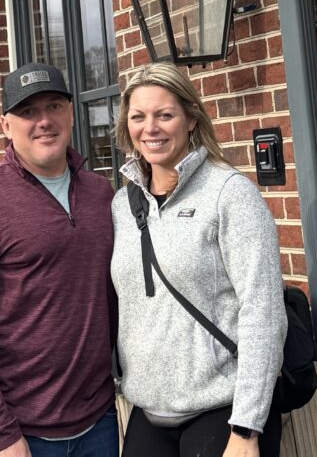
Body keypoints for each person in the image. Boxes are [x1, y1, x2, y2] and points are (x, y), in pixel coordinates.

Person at [0, 61, 119, 457]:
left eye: (54, 106)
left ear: (70, 112)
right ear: (6, 125)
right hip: (17, 437)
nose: (44, 121)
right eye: (28, 111)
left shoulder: (102, 194)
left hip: (98, 424)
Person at [111, 63, 287, 457]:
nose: (150, 128)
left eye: (165, 115)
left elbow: (263, 311)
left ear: (191, 119)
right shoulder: (123, 206)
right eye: (138, 117)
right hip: (147, 412)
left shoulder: (229, 194)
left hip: (221, 412)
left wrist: (246, 429)